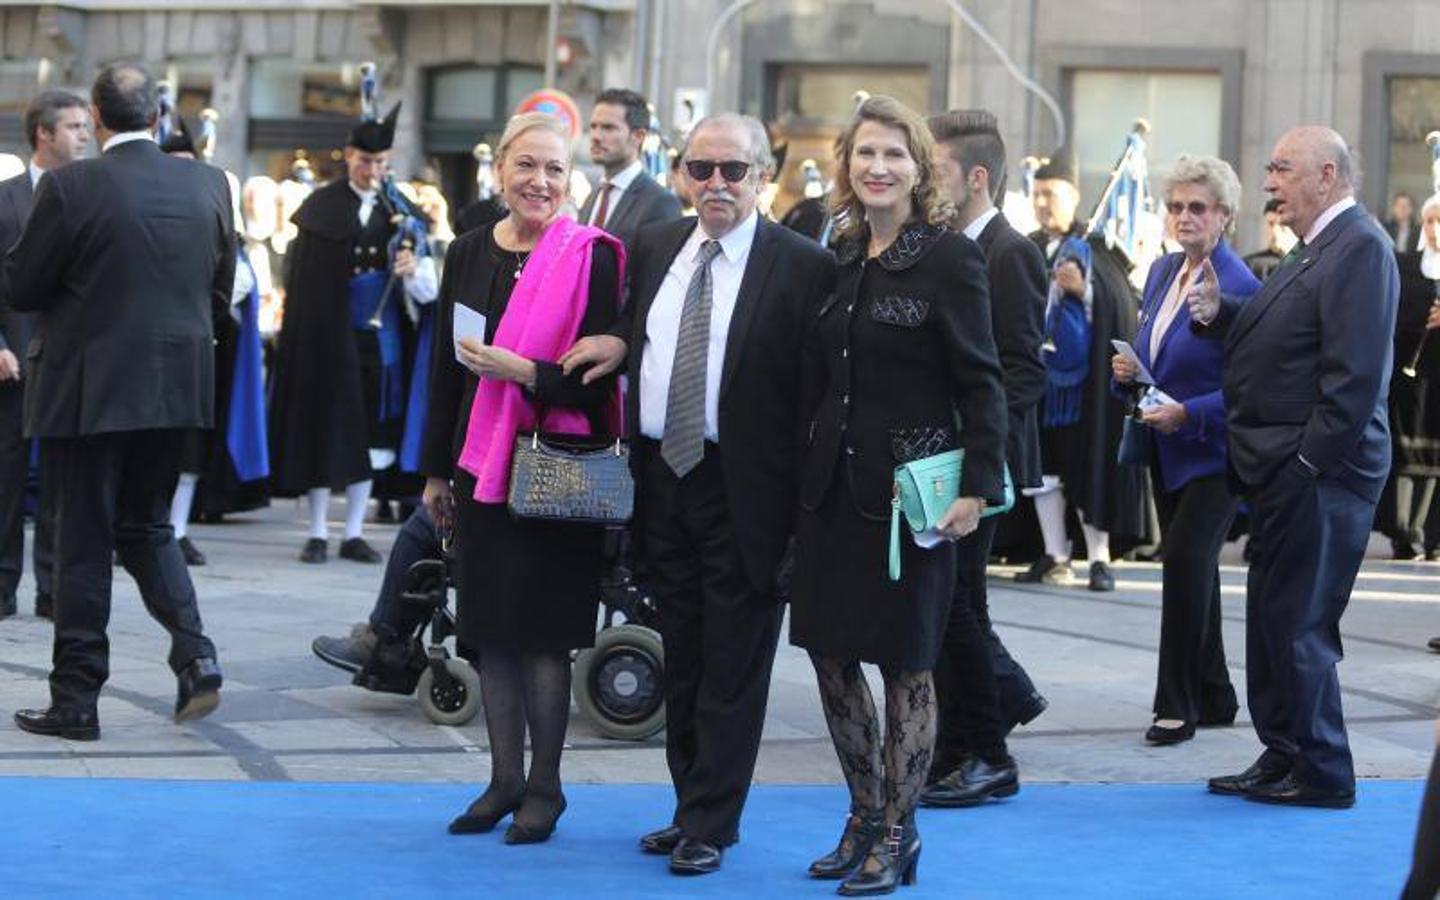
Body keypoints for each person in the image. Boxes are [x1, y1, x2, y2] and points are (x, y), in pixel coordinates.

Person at [559, 113, 835, 876]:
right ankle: (689, 809)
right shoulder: (654, 245)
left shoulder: (804, 266)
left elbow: (818, 397)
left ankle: (714, 820)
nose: (715, 184)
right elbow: (632, 328)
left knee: (733, 662)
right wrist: (618, 340)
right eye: (701, 168)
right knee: (681, 656)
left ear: (763, 177)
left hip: (748, 491)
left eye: (733, 171)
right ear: (680, 172)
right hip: (662, 480)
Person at [789, 96, 1006, 893]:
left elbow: (983, 383)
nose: (877, 168)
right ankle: (860, 812)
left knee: (907, 668)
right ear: (846, 166)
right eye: (864, 154)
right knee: (832, 660)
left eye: (894, 155)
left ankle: (899, 832)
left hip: (911, 509)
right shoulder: (839, 257)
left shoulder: (950, 259)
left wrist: (978, 491)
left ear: (920, 170)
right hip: (828, 498)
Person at [3, 63, 234, 740]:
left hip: (87, 389)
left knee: (81, 539)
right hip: (177, 385)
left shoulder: (74, 185)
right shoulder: (209, 182)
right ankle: (196, 655)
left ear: (98, 121)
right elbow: (221, 288)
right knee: (148, 526)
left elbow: (21, 284)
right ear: (156, 119)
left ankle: (76, 699)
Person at [420, 112, 623, 844]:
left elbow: (597, 386)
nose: (540, 181)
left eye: (555, 169)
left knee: (543, 640)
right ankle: (502, 780)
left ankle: (546, 788)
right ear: (500, 169)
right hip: (479, 472)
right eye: (527, 165)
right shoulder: (469, 251)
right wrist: (435, 472)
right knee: (490, 634)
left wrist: (525, 372)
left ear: (572, 181)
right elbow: (447, 369)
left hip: (554, 474)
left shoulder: (591, 256)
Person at [1190, 126, 1398, 809]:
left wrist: (1304, 464)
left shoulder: (1361, 248)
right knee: (1275, 618)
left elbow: (1355, 379)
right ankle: (1284, 752)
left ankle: (1323, 771)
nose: (1270, 181)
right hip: (1285, 473)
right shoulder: (1316, 249)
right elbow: (1288, 330)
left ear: (1327, 175)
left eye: (1282, 168)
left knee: (1302, 623)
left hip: (1320, 476)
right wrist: (1225, 314)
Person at [920, 109, 1047, 808]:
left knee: (958, 608)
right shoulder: (942, 246)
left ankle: (987, 752)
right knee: (953, 607)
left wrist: (973, 448)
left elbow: (1025, 370)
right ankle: (965, 739)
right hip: (940, 463)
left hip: (976, 467)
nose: (922, 184)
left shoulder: (1010, 251)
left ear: (974, 176)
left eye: (934, 171)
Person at [1112, 155, 1260, 745]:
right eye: (1175, 206)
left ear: (1225, 216)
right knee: (1195, 569)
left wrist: (1189, 413)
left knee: (1183, 562)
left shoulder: (1243, 286)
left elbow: (1252, 389)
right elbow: (1162, 353)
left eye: (1197, 207)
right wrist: (1131, 373)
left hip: (1217, 452)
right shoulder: (1162, 270)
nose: (1184, 217)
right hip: (1166, 445)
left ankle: (1176, 704)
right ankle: (1217, 693)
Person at [267, 90, 438, 564]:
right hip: (328, 336)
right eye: (366, 160)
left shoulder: (399, 210)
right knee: (325, 429)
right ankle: (319, 530)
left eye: (380, 161)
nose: (373, 170)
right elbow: (303, 281)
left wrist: (411, 270)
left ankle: (355, 531)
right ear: (349, 157)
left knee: (368, 434)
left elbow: (428, 282)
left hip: (378, 342)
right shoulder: (321, 206)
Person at [1017, 152, 1145, 591]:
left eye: (1050, 194)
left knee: (1089, 466)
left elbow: (1121, 307)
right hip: (1041, 385)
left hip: (1087, 388)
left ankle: (1098, 558)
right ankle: (1055, 555)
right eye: (1036, 194)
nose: (1041, 203)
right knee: (1044, 471)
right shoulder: (1027, 248)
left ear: (1073, 196)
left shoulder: (1097, 250)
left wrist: (1085, 289)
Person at [0, 90, 87, 621]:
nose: (85, 134)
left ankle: (54, 588)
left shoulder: (90, 192)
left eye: (85, 125)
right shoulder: (4, 197)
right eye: (74, 126)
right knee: (6, 480)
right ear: (44, 134)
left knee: (61, 482)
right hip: (9, 363)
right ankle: (3, 584)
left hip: (68, 361)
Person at [1381, 193, 1440, 561]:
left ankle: (1429, 531)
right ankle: (1402, 529)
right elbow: (1392, 312)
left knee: (1435, 458)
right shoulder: (1406, 264)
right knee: (1405, 454)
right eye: (1430, 221)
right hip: (1410, 375)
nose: (1434, 229)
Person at [579, 88, 683, 250]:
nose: (596, 136)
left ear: (639, 136)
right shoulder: (592, 197)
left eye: (608, 128)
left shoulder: (661, 203)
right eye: (593, 126)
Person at [1241, 198, 1297, 282]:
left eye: (1281, 225)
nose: (1275, 231)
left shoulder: (1305, 260)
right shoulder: (1250, 264)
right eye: (1271, 224)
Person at [1386, 191, 1419, 256]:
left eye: (1406, 205)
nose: (1402, 208)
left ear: (1411, 209)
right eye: (1399, 205)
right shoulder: (1385, 229)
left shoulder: (1418, 231)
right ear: (1394, 208)